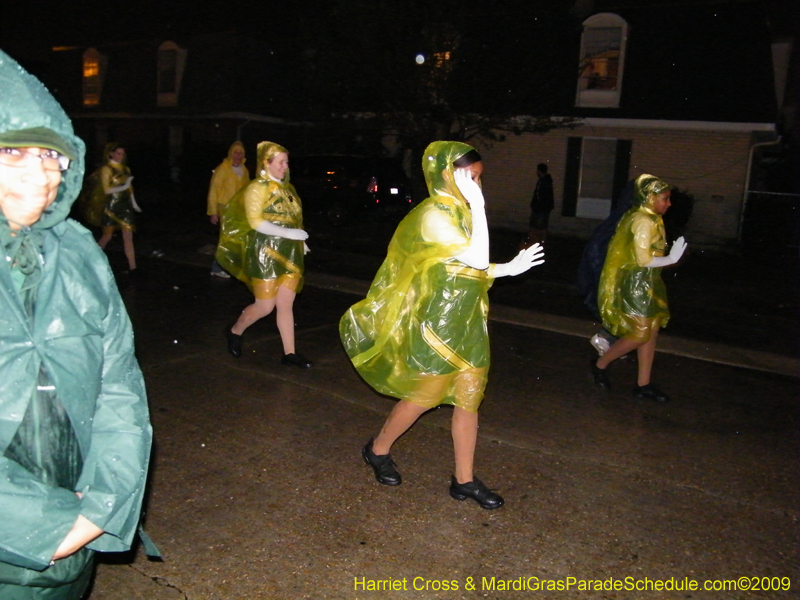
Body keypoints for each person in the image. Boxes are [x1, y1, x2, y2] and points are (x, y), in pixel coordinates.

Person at [0, 50, 152, 599]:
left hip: (77, 532)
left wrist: (105, 499)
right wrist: (42, 525)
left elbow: (119, 380)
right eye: (13, 149)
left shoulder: (78, 250)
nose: (40, 172)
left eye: (50, 153)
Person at [340, 141, 544, 509]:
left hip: (470, 319)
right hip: (437, 323)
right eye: (471, 177)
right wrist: (479, 207)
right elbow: (477, 256)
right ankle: (378, 449)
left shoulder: (462, 213)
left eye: (480, 179)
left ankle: (464, 480)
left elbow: (473, 268)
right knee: (424, 397)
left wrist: (508, 268)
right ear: (447, 174)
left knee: (469, 398)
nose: (476, 185)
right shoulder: (433, 215)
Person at [590, 174, 687, 403]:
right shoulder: (643, 220)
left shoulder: (652, 218)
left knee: (651, 331)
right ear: (650, 197)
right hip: (636, 282)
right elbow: (643, 260)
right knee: (641, 332)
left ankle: (643, 384)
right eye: (664, 198)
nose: (668, 204)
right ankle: (599, 364)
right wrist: (671, 259)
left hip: (649, 280)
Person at [216, 141, 312, 368]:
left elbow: (294, 219)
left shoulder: (288, 190)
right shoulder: (257, 188)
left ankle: (290, 353)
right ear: (266, 163)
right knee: (265, 306)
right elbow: (256, 222)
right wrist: (290, 234)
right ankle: (235, 330)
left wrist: (302, 243)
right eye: (280, 162)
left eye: (286, 162)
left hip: (290, 251)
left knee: (286, 304)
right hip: (265, 252)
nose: (285, 166)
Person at [576, 179, 635, 356]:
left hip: (610, 275)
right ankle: (606, 340)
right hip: (609, 275)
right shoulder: (624, 222)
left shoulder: (624, 219)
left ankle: (612, 341)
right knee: (621, 309)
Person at [94, 142, 142, 275]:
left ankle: (133, 267)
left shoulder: (126, 169)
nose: (120, 156)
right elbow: (107, 190)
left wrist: (134, 203)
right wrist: (125, 185)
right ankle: (91, 260)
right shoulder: (107, 169)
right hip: (111, 206)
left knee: (128, 236)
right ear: (111, 153)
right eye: (118, 153)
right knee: (107, 236)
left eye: (122, 154)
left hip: (125, 206)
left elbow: (130, 188)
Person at [207, 141, 249, 278]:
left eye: (240, 153)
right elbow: (214, 190)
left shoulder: (244, 170)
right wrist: (213, 212)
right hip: (224, 207)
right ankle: (217, 267)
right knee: (226, 238)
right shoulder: (223, 169)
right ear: (231, 153)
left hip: (238, 209)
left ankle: (231, 266)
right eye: (236, 152)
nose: (238, 155)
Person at [523, 162, 554, 248]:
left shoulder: (544, 182)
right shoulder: (543, 180)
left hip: (541, 208)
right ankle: (541, 241)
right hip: (541, 207)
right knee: (541, 225)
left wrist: (537, 205)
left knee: (536, 225)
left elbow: (541, 196)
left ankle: (534, 241)